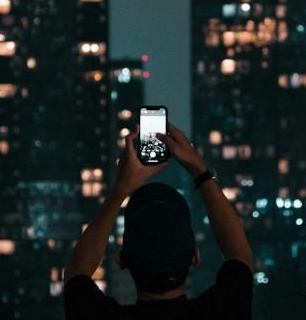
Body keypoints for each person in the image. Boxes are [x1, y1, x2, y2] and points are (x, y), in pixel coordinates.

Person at [64, 123, 254, 319]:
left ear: (121, 260)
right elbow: (240, 255)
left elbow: (77, 271)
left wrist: (120, 189)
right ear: (195, 258)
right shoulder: (222, 312)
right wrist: (200, 170)